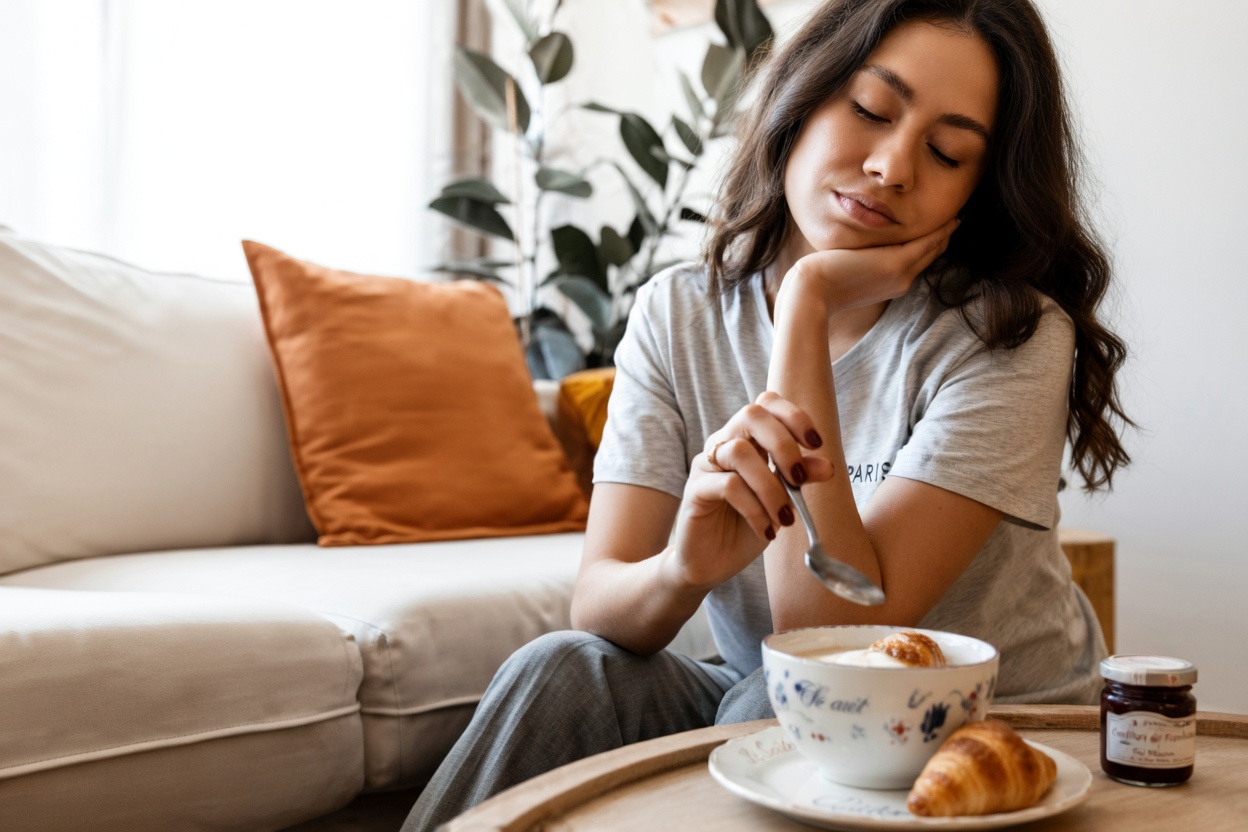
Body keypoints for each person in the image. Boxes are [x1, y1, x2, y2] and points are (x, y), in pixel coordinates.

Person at [402, 0, 1132, 828]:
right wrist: (684, 564)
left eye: (946, 151)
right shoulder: (678, 312)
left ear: (981, 183)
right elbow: (599, 603)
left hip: (999, 725)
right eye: (869, 109)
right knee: (562, 668)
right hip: (779, 701)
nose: (894, 166)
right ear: (801, 95)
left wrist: (807, 306)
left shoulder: (1011, 335)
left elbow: (824, 631)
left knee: (766, 700)